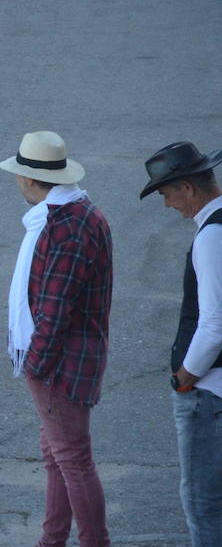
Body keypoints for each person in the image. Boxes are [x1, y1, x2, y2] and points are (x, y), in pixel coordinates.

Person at [0, 131, 112, 547]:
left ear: (30, 180)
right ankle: (52, 540)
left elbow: (54, 310)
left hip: (60, 363)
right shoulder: (80, 213)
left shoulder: (61, 228)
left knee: (73, 460)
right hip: (77, 356)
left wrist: (35, 366)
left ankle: (93, 542)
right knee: (58, 457)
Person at [140, 141, 222, 546]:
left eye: (167, 193)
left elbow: (214, 325)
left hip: (210, 393)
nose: (167, 204)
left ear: (188, 187)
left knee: (203, 505)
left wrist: (184, 377)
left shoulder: (212, 238)